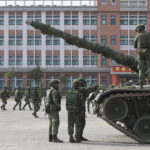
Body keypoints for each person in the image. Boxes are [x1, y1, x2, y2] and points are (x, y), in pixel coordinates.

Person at [134, 24, 150, 89]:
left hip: (140, 52)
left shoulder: (137, 36)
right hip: (148, 52)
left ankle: (141, 82)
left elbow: (135, 46)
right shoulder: (148, 34)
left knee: (141, 68)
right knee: (149, 66)